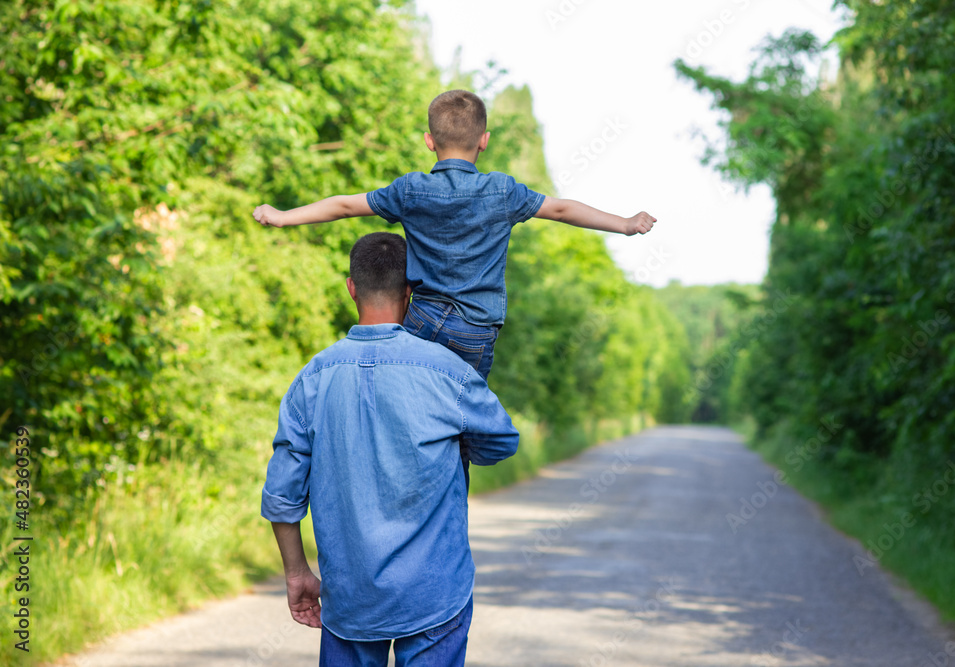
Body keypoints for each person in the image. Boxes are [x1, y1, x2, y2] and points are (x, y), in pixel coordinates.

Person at [252, 89, 656, 383]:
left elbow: (343, 206)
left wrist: (284, 216)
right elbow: (563, 209)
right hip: (474, 331)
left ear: (430, 141)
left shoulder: (410, 190)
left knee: (410, 402)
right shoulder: (503, 191)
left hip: (422, 319)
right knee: (461, 421)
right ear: (484, 140)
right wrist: (623, 223)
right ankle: (468, 449)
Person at [260, 232, 518, 666]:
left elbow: (283, 494)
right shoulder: (446, 371)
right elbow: (501, 441)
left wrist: (297, 572)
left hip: (350, 598)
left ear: (351, 288)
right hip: (435, 593)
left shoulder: (313, 377)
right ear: (411, 292)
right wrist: (454, 444)